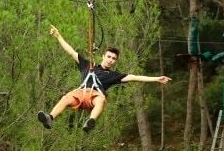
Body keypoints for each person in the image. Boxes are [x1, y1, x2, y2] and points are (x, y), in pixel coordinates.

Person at [37, 24, 171, 132]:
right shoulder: (87, 65)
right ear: (103, 56)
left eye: (114, 59)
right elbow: (71, 51)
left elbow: (135, 77)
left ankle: (91, 121)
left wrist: (156, 78)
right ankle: (50, 117)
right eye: (109, 57)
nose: (111, 60)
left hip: (94, 96)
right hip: (80, 93)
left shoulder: (113, 75)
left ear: (115, 61)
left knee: (101, 100)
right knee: (66, 98)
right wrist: (58, 36)